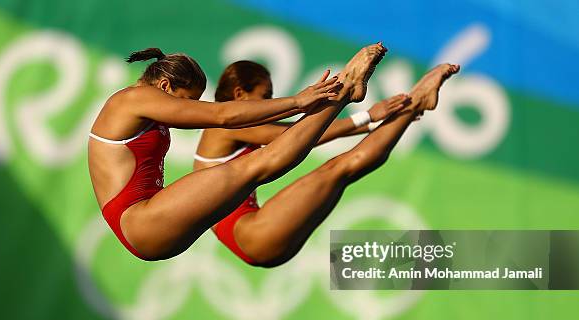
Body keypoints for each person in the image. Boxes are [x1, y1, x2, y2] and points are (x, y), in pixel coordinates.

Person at [88, 43, 387, 260]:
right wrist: (297, 101)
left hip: (150, 222)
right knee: (258, 166)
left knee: (262, 168)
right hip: (141, 223)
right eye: (186, 100)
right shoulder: (134, 98)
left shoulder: (140, 106)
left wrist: (307, 107)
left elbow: (250, 121)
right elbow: (223, 116)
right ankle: (345, 89)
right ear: (165, 86)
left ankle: (351, 93)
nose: (189, 109)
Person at [194, 61, 460, 267]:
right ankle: (412, 102)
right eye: (266, 96)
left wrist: (370, 120)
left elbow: (301, 134)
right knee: (337, 169)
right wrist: (366, 117)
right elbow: (291, 137)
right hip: (254, 235)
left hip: (260, 237)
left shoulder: (234, 128)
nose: (270, 104)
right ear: (239, 94)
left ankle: (415, 104)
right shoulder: (222, 128)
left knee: (345, 170)